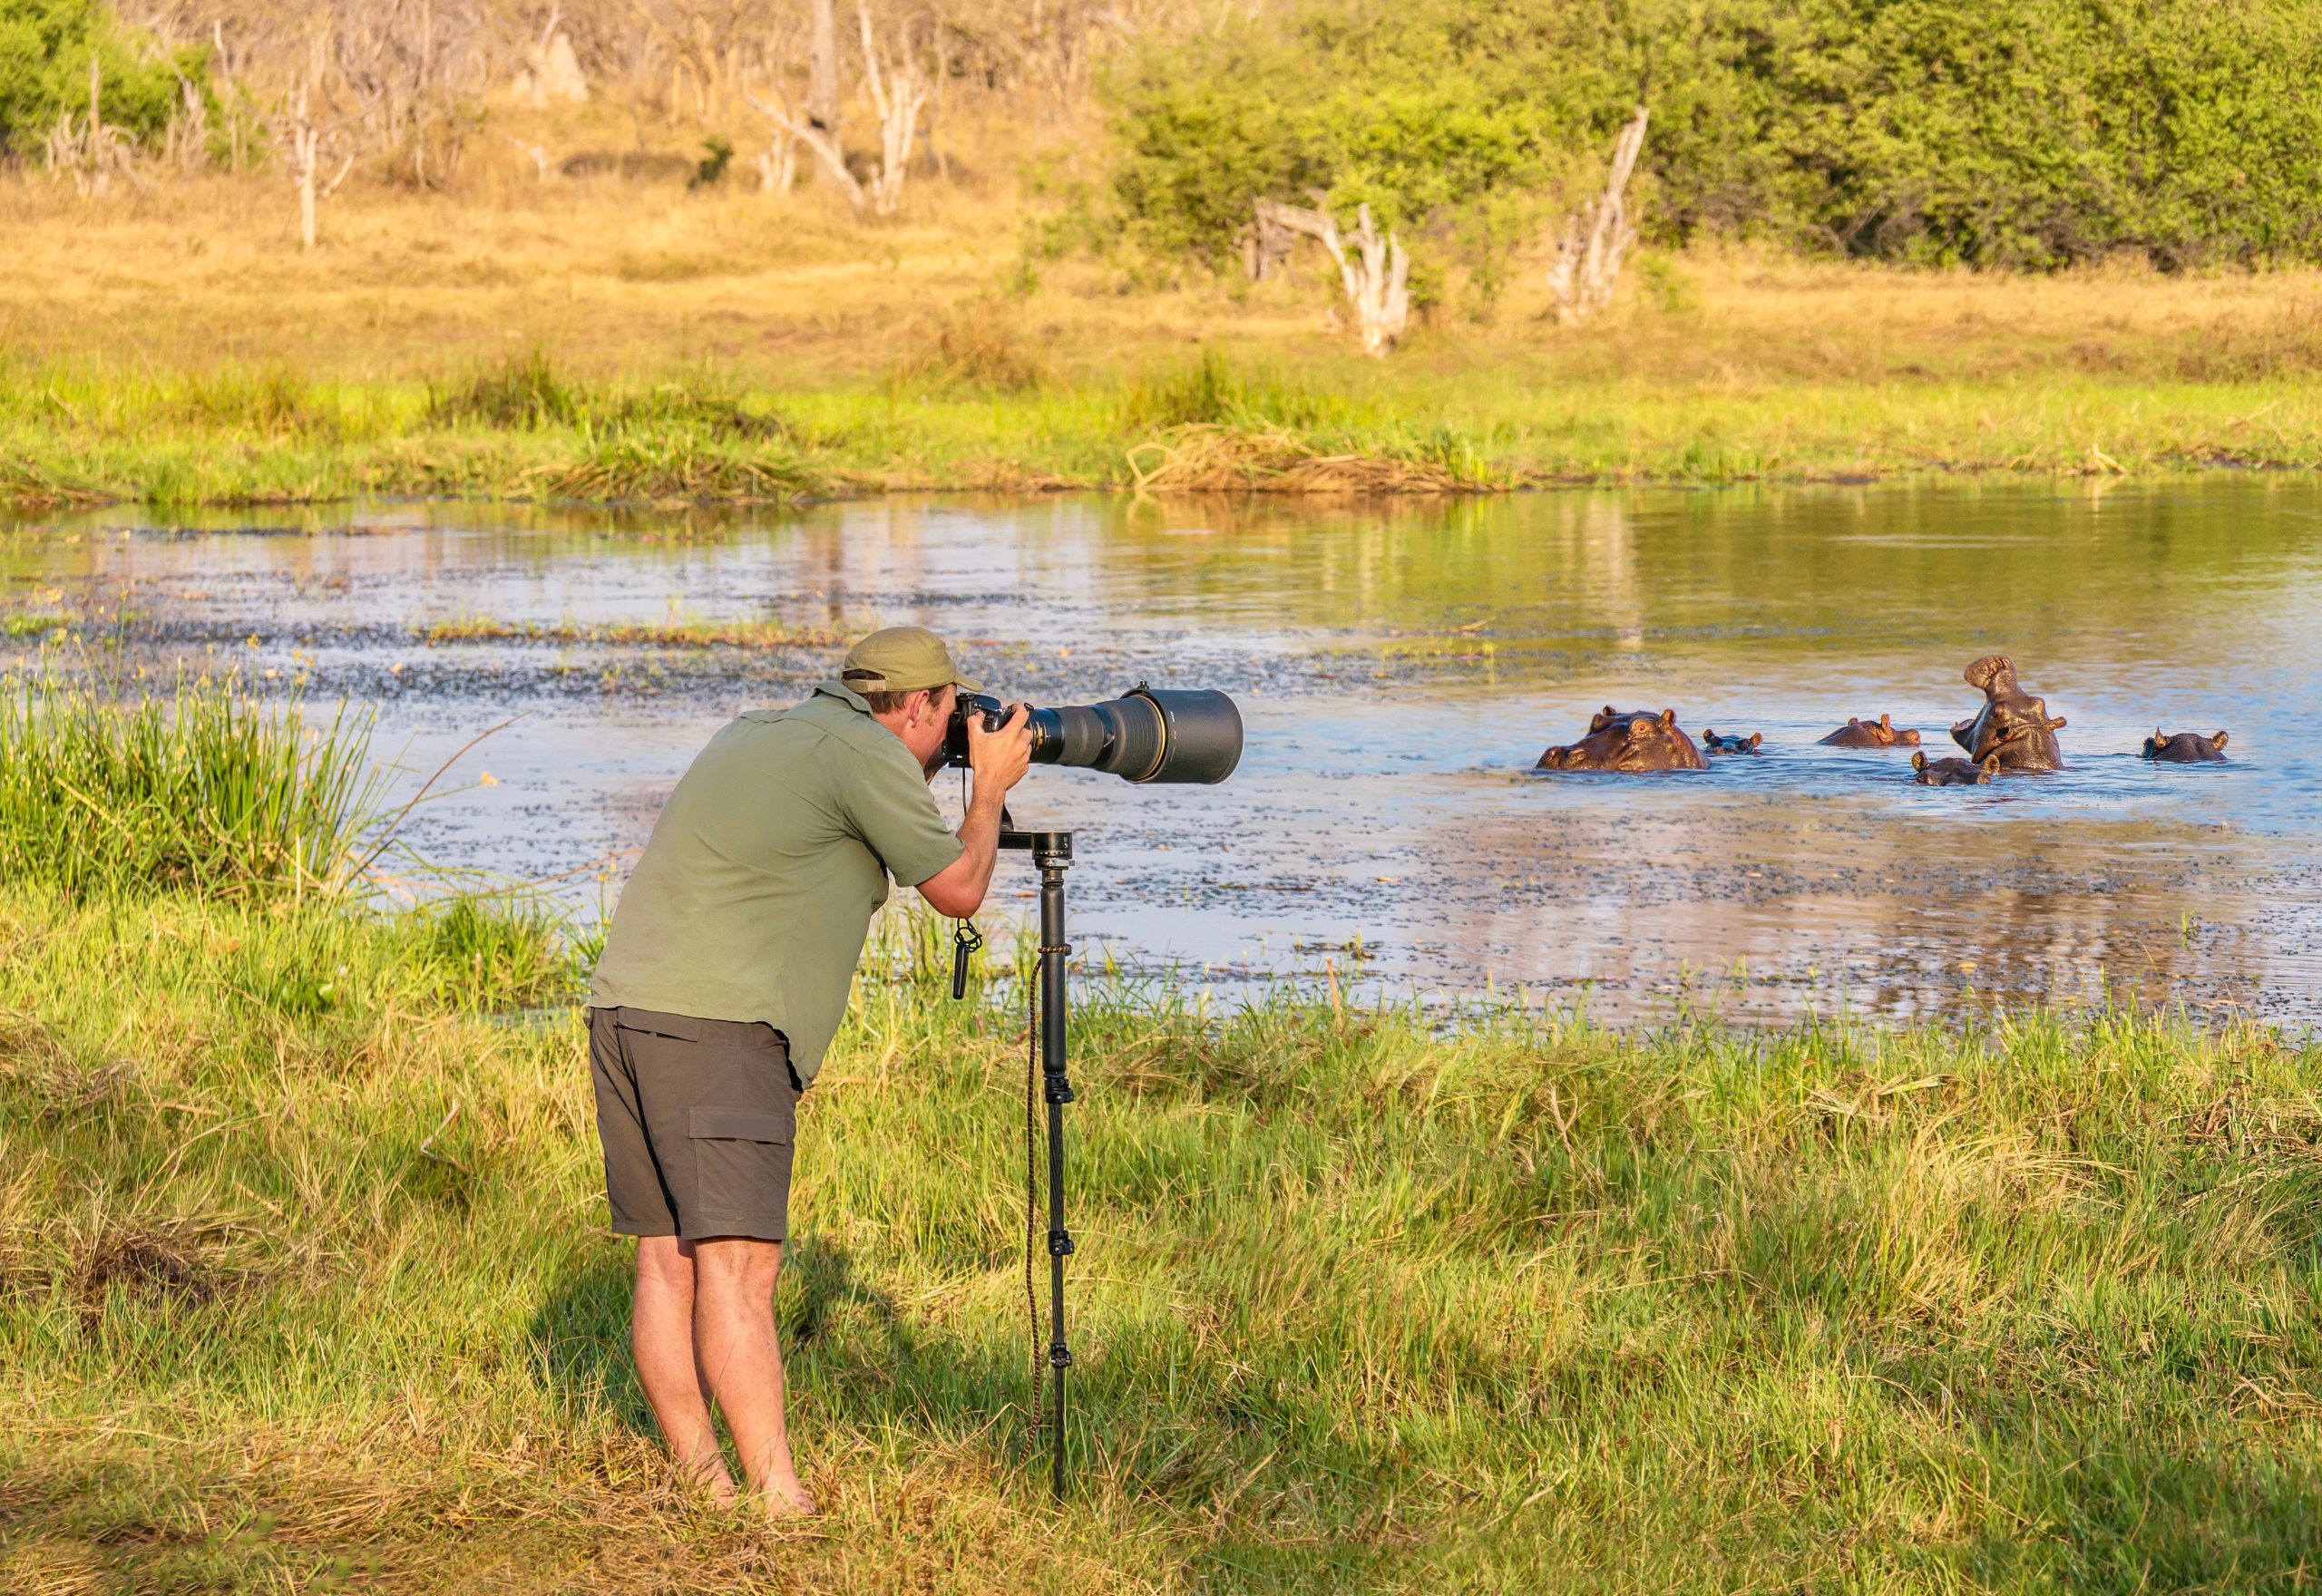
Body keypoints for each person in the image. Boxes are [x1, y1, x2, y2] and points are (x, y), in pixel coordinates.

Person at [585, 626, 1032, 1520]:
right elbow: (959, 889)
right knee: (740, 1276)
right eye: (949, 712)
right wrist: (988, 786)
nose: (954, 727)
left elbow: (839, 810)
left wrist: (942, 766)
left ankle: (704, 1483)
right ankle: (778, 1500)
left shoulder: (763, 728)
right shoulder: (863, 755)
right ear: (915, 705)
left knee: (668, 1264)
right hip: (719, 1029)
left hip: (627, 1009)